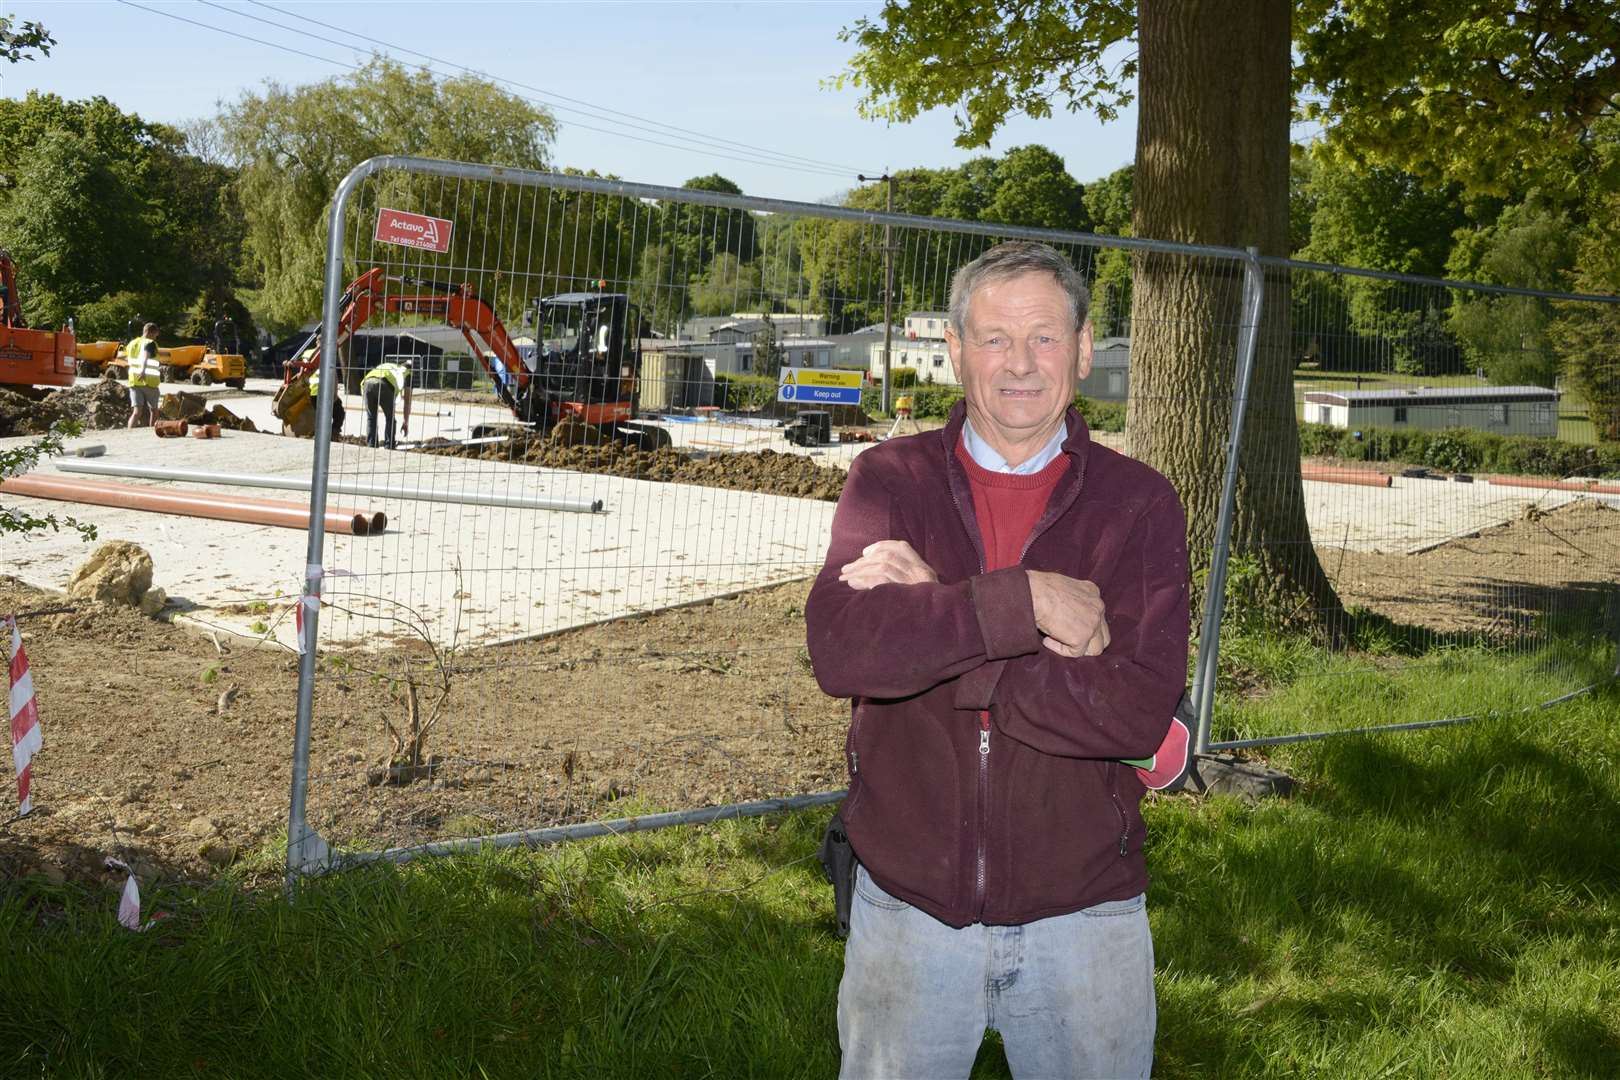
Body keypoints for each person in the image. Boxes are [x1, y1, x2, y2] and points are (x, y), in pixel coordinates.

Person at [805, 241, 1191, 1079]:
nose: (1021, 364)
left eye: (1045, 338)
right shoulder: (888, 480)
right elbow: (841, 651)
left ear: (1085, 349)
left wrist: (945, 607)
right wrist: (1025, 608)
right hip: (908, 908)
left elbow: (1133, 713)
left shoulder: (1141, 505)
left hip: (1085, 918)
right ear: (954, 351)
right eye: (994, 339)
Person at [360, 357, 413, 449]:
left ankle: (371, 445)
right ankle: (389, 446)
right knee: (390, 418)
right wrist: (405, 422)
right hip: (384, 385)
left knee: (371, 417)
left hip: (367, 383)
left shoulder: (388, 366)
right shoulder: (407, 373)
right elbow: (407, 402)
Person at [123, 322, 163, 429]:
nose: (155, 338)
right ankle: (151, 433)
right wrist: (143, 371)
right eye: (155, 335)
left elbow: (127, 359)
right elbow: (145, 356)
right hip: (148, 381)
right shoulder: (150, 343)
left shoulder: (132, 343)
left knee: (136, 412)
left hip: (134, 382)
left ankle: (129, 433)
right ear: (151, 332)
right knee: (154, 410)